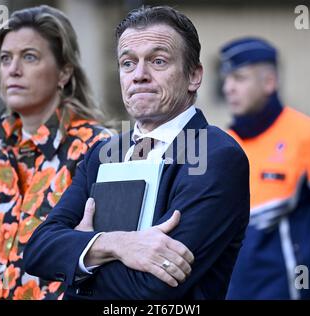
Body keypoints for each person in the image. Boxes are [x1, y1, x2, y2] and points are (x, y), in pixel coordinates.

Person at [24, 5, 250, 300]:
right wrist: (115, 244)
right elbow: (38, 251)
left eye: (158, 61)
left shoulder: (214, 156)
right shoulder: (103, 153)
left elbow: (153, 287)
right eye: (128, 63)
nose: (139, 75)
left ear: (193, 76)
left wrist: (78, 258)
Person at [0, 5, 111, 300]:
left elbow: (107, 261)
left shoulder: (98, 149)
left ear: (64, 72)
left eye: (29, 57)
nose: (13, 69)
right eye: (6, 58)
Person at [220, 37, 310, 299]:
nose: (228, 88)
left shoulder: (308, 135)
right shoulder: (225, 144)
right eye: (225, 79)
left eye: (239, 78)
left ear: (269, 82)